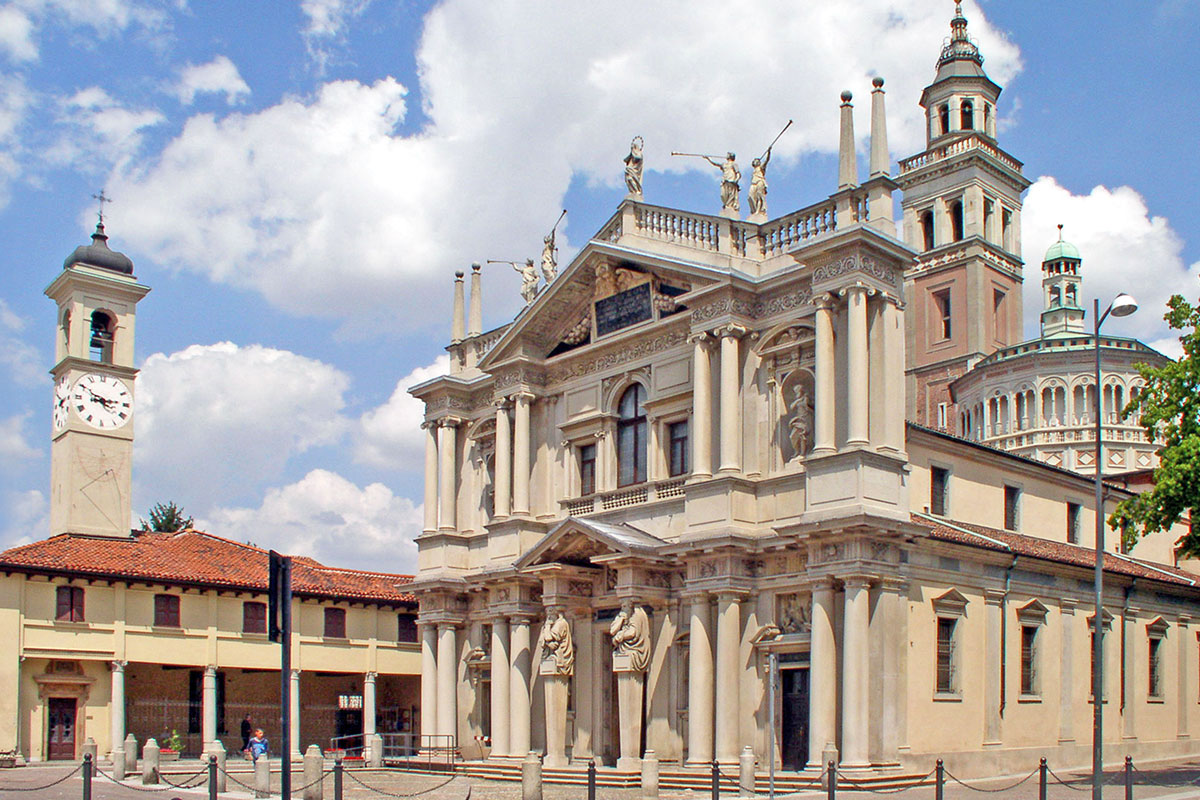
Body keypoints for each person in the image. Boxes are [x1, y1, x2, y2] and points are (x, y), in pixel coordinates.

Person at [748, 146, 772, 216]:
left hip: (760, 181)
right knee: (750, 196)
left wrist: (769, 152)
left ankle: (759, 211)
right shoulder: (754, 171)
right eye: (754, 161)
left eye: (756, 160)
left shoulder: (761, 167)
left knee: (759, 196)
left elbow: (767, 160)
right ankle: (754, 210)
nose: (755, 161)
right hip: (753, 183)